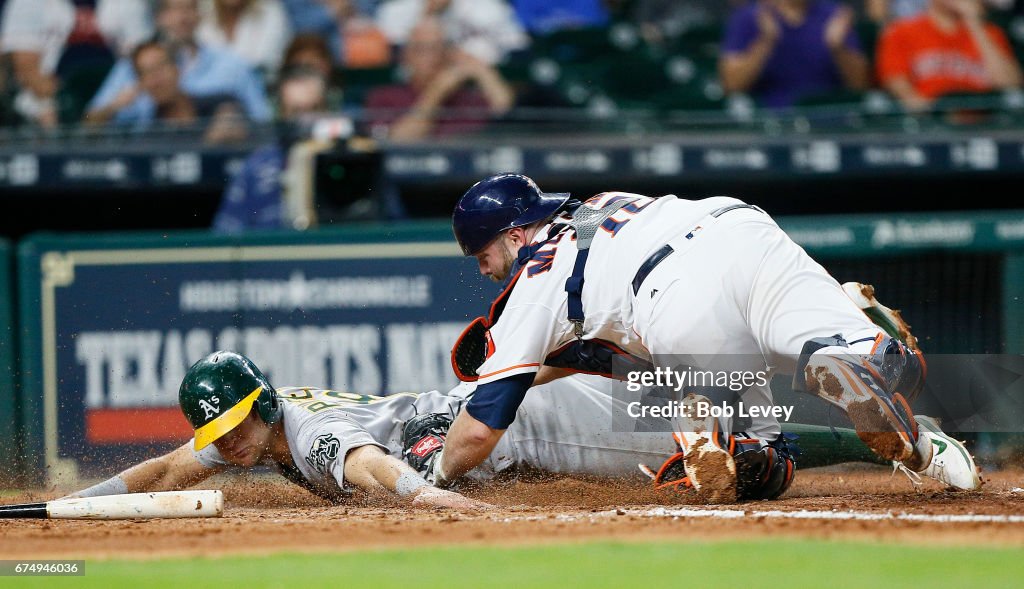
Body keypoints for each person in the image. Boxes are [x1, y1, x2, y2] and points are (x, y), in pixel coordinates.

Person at [418, 173, 980, 503]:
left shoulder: (533, 281)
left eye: (484, 254)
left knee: (754, 461)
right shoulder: (598, 207)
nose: (485, 269)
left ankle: (708, 424)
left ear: (515, 236)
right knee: (890, 369)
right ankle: (857, 356)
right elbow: (594, 347)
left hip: (674, 295)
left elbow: (482, 429)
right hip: (741, 229)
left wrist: (436, 476)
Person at [65, 351, 490, 510]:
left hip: (471, 427)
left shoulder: (307, 433)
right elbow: (164, 472)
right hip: (456, 426)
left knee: (428, 483)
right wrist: (67, 503)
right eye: (216, 433)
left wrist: (420, 494)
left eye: (232, 425)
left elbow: (368, 463)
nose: (227, 440)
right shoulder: (250, 434)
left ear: (262, 405)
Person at [83, 0, 271, 126]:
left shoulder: (232, 64)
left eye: (189, 8)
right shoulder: (131, 66)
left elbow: (263, 122)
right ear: (157, 17)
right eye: (172, 10)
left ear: (199, 15)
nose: (182, 18)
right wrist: (114, 106)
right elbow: (87, 122)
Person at [0, 0, 152, 127]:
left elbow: (144, 59)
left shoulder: (129, 3)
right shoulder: (28, 2)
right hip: (48, 100)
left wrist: (104, 108)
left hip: (114, 97)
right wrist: (67, 107)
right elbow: (26, 68)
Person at [212, 66, 325, 232]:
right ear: (280, 113)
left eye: (312, 109)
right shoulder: (258, 165)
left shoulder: (351, 156)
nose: (304, 121)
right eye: (295, 111)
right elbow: (226, 232)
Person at [364, 17, 514, 142]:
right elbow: (398, 141)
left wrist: (481, 70)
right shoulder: (385, 97)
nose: (433, 57)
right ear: (406, 56)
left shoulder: (468, 98)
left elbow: (506, 113)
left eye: (439, 48)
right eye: (423, 49)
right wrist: (437, 92)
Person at [877, 0, 1023, 111]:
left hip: (982, 121)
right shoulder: (901, 31)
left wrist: (974, 23)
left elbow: (1010, 84)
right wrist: (924, 111)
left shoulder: (990, 33)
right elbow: (898, 83)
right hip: (930, 122)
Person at [720, 0, 870, 108]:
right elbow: (732, 85)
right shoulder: (750, 17)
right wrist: (765, 42)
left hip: (827, 117)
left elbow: (860, 85)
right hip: (771, 119)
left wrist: (838, 48)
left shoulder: (835, 15)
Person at [128, 40, 247, 142]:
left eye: (160, 68)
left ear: (177, 69)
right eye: (145, 73)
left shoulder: (220, 103)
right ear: (140, 84)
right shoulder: (150, 136)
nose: (155, 81)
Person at [375, 0, 527, 65]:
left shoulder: (489, 8)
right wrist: (428, 13)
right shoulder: (394, 11)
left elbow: (519, 52)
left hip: (474, 86)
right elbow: (394, 61)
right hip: (413, 90)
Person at [196, 0, 292, 79]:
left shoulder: (271, 12)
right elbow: (199, 63)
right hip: (213, 91)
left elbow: (263, 62)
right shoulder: (205, 17)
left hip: (263, 86)